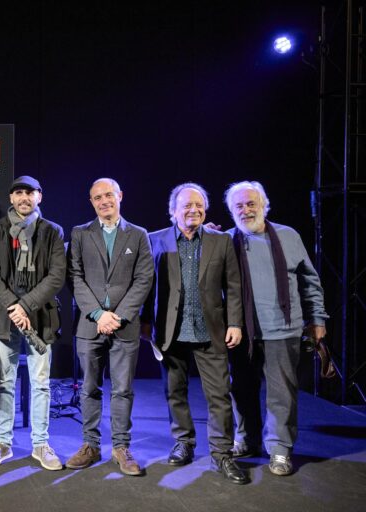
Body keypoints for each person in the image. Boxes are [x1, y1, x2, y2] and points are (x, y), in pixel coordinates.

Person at [141, 182, 249, 485]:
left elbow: (234, 286)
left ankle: (222, 454)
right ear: (173, 210)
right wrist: (144, 322)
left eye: (199, 205)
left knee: (219, 395)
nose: (193, 210)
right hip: (169, 331)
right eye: (187, 205)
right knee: (174, 392)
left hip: (210, 330)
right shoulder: (155, 240)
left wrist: (235, 323)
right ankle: (184, 443)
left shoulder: (220, 241)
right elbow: (146, 286)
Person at [224, 181, 328, 476]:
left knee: (281, 394)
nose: (246, 210)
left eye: (251, 204)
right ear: (232, 211)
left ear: (264, 205)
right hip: (242, 333)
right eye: (239, 206)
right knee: (241, 390)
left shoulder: (287, 236)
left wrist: (317, 319)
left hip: (283, 330)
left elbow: (310, 280)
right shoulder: (225, 240)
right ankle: (247, 439)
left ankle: (280, 450)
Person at [0, 175, 66, 471]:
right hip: (5, 317)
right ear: (12, 198)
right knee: (5, 382)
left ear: (39, 196)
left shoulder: (53, 231)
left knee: (40, 384)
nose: (24, 197)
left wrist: (25, 306)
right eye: (18, 193)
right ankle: (3, 443)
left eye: (30, 192)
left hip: (40, 318)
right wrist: (13, 306)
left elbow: (56, 276)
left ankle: (40, 444)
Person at [66, 178, 153, 475]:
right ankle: (90, 445)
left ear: (120, 196)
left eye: (108, 195)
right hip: (90, 327)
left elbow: (144, 279)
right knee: (89, 388)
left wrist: (119, 315)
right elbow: (74, 277)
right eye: (97, 197)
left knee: (122, 389)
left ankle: (120, 447)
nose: (104, 201)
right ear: (91, 202)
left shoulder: (139, 235)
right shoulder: (79, 234)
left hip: (124, 327)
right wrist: (97, 314)